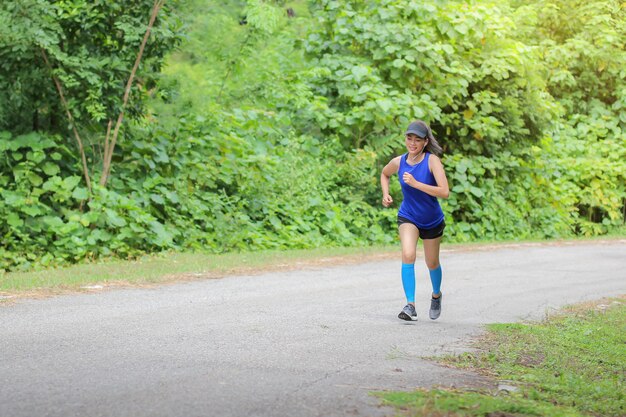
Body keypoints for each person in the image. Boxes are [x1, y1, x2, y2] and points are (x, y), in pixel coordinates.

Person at [380, 120, 450, 321]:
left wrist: (417, 184)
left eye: (417, 140)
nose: (412, 143)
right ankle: (410, 305)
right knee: (408, 254)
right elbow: (385, 174)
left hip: (432, 220)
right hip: (408, 216)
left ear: (425, 142)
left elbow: (444, 192)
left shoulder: (431, 161)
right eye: (409, 138)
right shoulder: (399, 161)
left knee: (432, 262)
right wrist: (386, 194)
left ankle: (436, 295)